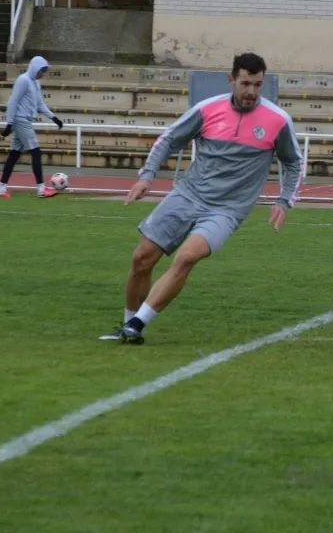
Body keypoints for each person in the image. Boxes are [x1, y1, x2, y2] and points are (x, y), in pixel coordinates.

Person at [107, 52, 303, 345]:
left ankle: (137, 324)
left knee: (187, 257)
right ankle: (127, 325)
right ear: (231, 80)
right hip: (187, 194)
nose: (251, 91)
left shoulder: (277, 120)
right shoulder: (207, 109)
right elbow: (169, 139)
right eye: (245, 83)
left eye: (257, 85)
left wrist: (284, 200)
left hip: (227, 210)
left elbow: (293, 162)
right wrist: (147, 175)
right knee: (141, 258)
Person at [0, 56, 63, 198]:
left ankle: (1, 188)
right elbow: (13, 102)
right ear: (35, 68)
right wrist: (9, 122)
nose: (42, 74)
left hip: (25, 120)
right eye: (41, 71)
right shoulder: (23, 80)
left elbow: (39, 103)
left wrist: (53, 117)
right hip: (20, 120)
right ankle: (41, 189)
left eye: (44, 72)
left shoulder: (35, 83)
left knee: (14, 155)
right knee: (36, 152)